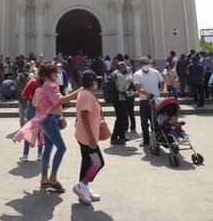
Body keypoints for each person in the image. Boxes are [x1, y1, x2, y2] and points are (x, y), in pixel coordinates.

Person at [13, 64, 82, 192]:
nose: (59, 73)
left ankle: (44, 178)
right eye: (57, 72)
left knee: (48, 148)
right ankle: (52, 178)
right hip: (49, 120)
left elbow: (53, 103)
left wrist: (60, 116)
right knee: (61, 148)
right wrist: (77, 92)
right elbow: (59, 101)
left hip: (49, 119)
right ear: (51, 74)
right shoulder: (51, 85)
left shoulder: (48, 84)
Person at [73, 70, 105, 205]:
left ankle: (84, 189)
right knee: (98, 163)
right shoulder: (87, 95)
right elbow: (84, 116)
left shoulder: (84, 93)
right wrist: (92, 139)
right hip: (87, 138)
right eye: (95, 80)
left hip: (83, 135)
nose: (97, 82)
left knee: (87, 162)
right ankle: (81, 185)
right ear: (91, 81)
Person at [133, 57, 164, 147]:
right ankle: (146, 140)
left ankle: (159, 138)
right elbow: (138, 87)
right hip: (144, 101)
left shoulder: (155, 72)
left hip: (156, 101)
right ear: (141, 65)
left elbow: (162, 82)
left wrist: (164, 90)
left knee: (156, 121)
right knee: (144, 121)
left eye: (148, 64)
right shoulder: (137, 74)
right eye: (144, 64)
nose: (146, 66)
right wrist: (147, 94)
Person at [19, 74, 45, 161]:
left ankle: (25, 155)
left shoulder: (32, 83)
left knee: (28, 131)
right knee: (41, 132)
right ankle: (40, 154)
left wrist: (31, 96)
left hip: (32, 109)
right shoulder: (48, 83)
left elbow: (23, 95)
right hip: (43, 110)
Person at [110, 62, 132, 145]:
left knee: (122, 118)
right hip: (120, 99)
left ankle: (122, 136)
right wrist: (128, 75)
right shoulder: (120, 76)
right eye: (125, 68)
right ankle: (114, 138)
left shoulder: (114, 73)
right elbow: (125, 87)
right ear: (122, 68)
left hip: (116, 99)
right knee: (119, 119)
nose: (126, 69)